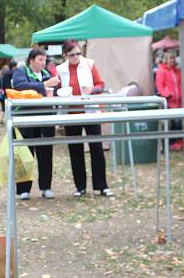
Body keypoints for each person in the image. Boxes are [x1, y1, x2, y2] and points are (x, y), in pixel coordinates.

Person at [57, 39, 113, 197]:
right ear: (66, 55)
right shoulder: (60, 69)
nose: (76, 57)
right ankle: (80, 187)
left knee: (96, 149)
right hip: (71, 114)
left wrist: (92, 89)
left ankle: (102, 185)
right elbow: (56, 87)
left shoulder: (89, 64)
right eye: (73, 54)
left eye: (78, 53)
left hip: (90, 112)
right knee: (75, 151)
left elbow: (100, 84)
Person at [11, 48, 61, 199]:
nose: (43, 63)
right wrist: (44, 85)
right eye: (40, 59)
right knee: (25, 154)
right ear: (31, 60)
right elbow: (20, 86)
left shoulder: (47, 73)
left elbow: (56, 90)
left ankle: (46, 187)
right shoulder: (21, 71)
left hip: (45, 117)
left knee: (46, 152)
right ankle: (23, 189)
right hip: (25, 118)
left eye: (45, 60)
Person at [155, 50, 184, 150]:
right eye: (171, 58)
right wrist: (167, 94)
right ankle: (171, 143)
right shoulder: (161, 71)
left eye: (174, 58)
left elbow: (180, 84)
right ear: (166, 59)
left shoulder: (177, 71)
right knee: (172, 122)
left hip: (179, 101)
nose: (173, 60)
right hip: (169, 100)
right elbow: (160, 85)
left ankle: (179, 141)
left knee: (179, 122)